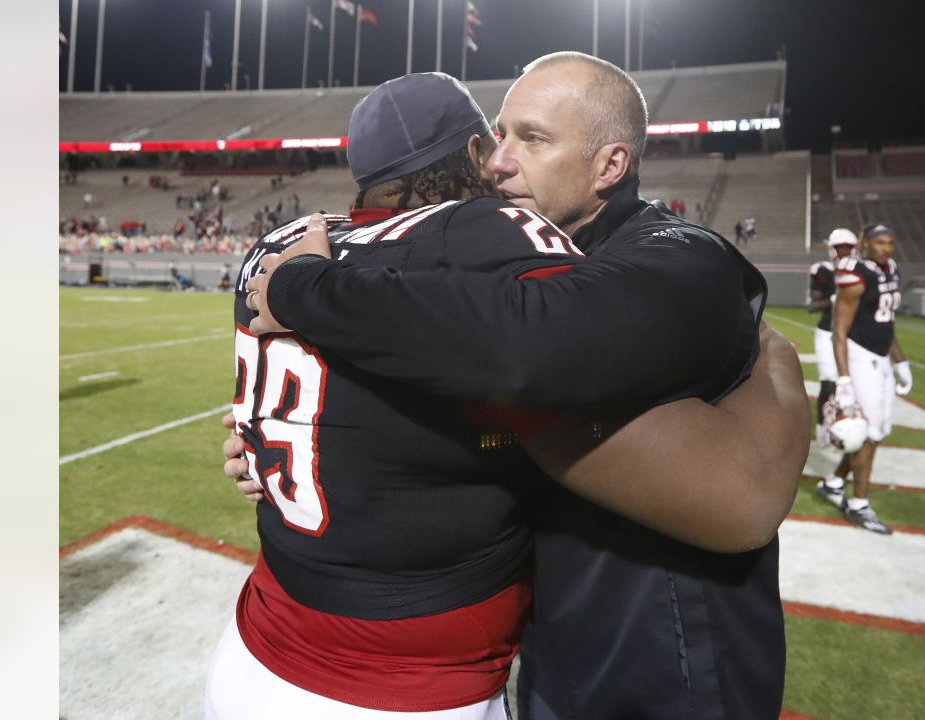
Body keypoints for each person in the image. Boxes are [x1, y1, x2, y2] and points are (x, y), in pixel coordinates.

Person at [214, 70, 807, 719]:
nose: (498, 162)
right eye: (497, 136)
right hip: (551, 647)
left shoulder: (676, 254)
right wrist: (309, 435)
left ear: (609, 164)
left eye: (531, 139)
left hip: (666, 659)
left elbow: (524, 348)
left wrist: (302, 289)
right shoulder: (488, 255)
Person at [816, 223, 913, 535]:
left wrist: (901, 361)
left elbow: (887, 321)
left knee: (876, 432)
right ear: (865, 244)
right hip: (860, 358)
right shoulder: (855, 274)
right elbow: (839, 331)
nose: (886, 248)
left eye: (890, 242)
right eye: (879, 243)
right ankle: (858, 504)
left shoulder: (891, 269)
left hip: (880, 357)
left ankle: (833, 484)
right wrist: (843, 379)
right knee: (870, 432)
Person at [808, 228, 859, 445]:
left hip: (853, 335)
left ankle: (844, 427)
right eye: (840, 248)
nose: (844, 252)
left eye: (848, 248)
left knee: (848, 386)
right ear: (832, 250)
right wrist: (837, 298)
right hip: (828, 333)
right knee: (828, 384)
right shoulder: (823, 270)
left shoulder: (861, 271)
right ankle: (822, 431)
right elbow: (813, 305)